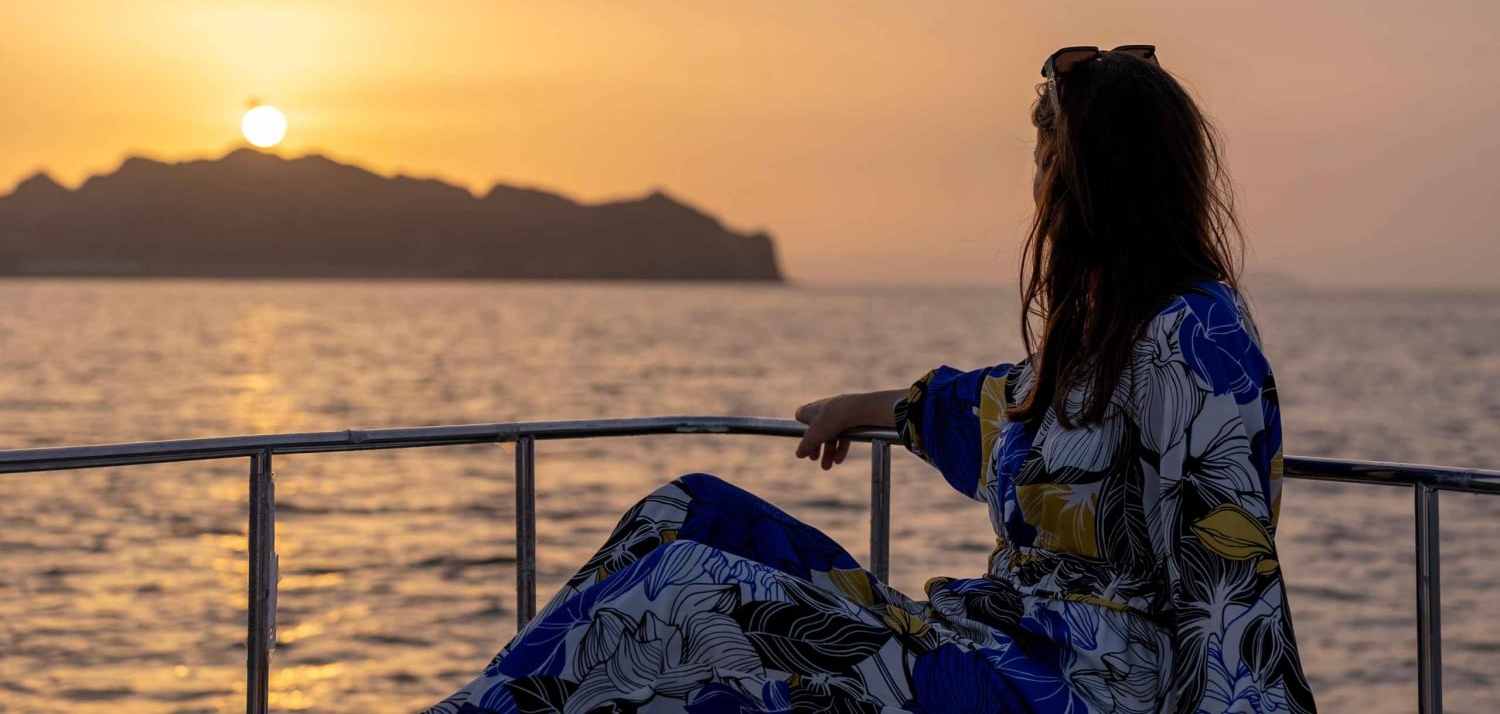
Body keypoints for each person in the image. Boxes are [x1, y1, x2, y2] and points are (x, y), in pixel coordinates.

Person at [424, 45, 1316, 714]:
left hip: (1075, 685)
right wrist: (876, 405)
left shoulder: (1196, 335)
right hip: (992, 641)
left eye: (1050, 164)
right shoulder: (1095, 332)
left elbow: (1227, 584)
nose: (1039, 190)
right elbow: (1009, 412)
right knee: (685, 511)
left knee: (688, 590)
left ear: (1099, 181)